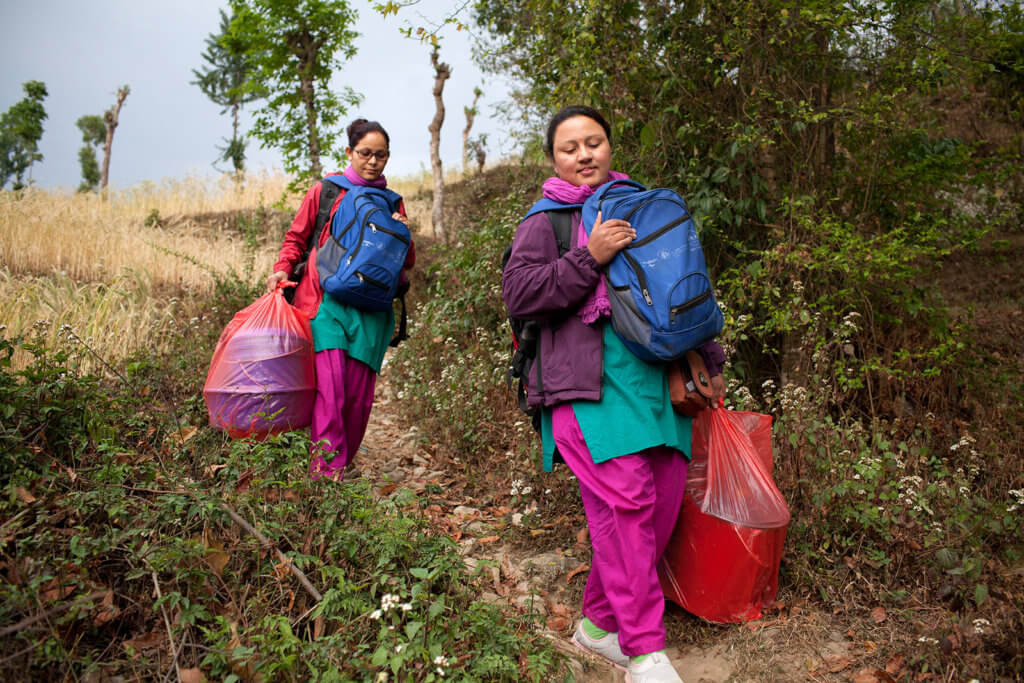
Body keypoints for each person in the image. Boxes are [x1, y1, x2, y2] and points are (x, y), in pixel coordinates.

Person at [502, 105, 725, 683]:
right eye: (570, 147)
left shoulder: (645, 207)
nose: (584, 155)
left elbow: (683, 283)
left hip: (657, 381)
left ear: (610, 147)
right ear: (553, 158)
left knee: (660, 512)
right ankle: (646, 653)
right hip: (586, 387)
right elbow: (522, 296)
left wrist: (713, 360)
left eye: (593, 142)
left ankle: (599, 626)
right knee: (626, 508)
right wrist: (588, 255)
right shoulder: (545, 221)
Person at [267, 118, 415, 481]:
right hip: (323, 303)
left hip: (371, 312)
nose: (373, 161)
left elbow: (404, 262)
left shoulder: (393, 203)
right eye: (365, 153)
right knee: (329, 392)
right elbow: (297, 237)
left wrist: (403, 233)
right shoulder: (326, 191)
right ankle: (325, 475)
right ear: (349, 152)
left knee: (357, 399)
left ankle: (342, 466)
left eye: (381, 155)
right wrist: (283, 268)